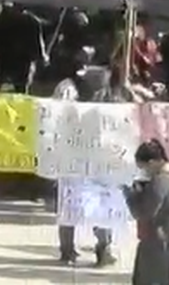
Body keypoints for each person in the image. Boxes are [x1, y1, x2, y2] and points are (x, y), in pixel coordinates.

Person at [56, 65, 118, 266]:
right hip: (91, 160)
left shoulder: (69, 95)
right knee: (97, 206)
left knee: (71, 202)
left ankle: (69, 250)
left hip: (78, 159)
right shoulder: (104, 102)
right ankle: (100, 248)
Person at [125, 139, 169, 285]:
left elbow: (142, 213)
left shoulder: (160, 183)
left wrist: (131, 194)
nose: (145, 172)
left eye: (144, 168)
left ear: (153, 162)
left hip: (158, 248)